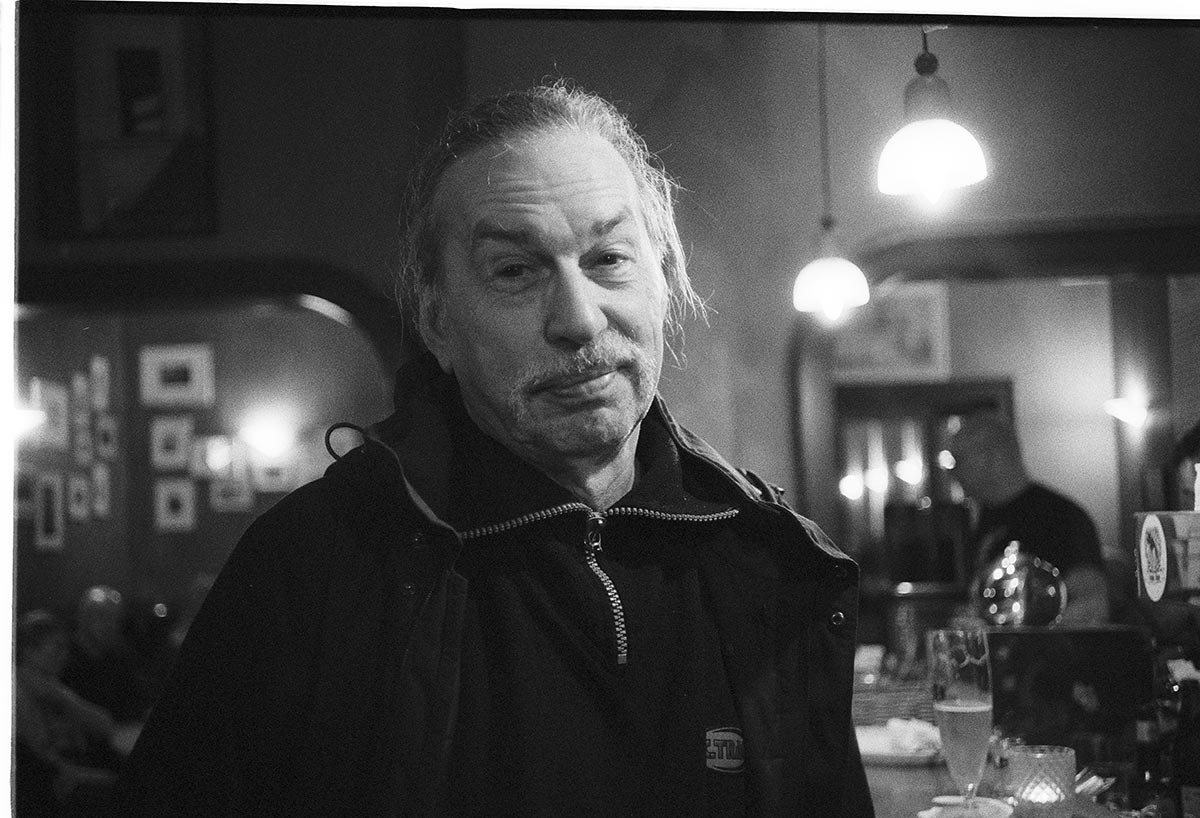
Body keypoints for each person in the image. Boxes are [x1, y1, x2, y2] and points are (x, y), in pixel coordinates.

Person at [116, 82, 871, 817]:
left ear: (665, 282)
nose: (578, 319)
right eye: (515, 271)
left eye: (609, 258)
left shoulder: (767, 560)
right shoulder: (310, 567)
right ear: (438, 323)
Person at [947, 410, 1110, 626]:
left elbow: (1092, 604)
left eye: (959, 461)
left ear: (991, 457)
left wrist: (1030, 636)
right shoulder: (984, 519)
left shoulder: (1060, 517)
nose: (953, 474)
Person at [15, 609, 120, 818]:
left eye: (65, 648)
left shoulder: (54, 686)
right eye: (57, 648)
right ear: (29, 650)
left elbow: (105, 725)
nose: (64, 656)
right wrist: (85, 775)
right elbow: (38, 756)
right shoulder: (17, 692)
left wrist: (63, 699)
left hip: (73, 769)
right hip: (48, 787)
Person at [61, 585, 157, 723]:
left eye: (115, 618)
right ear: (84, 617)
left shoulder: (122, 658)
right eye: (102, 616)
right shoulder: (63, 657)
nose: (110, 624)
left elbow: (139, 701)